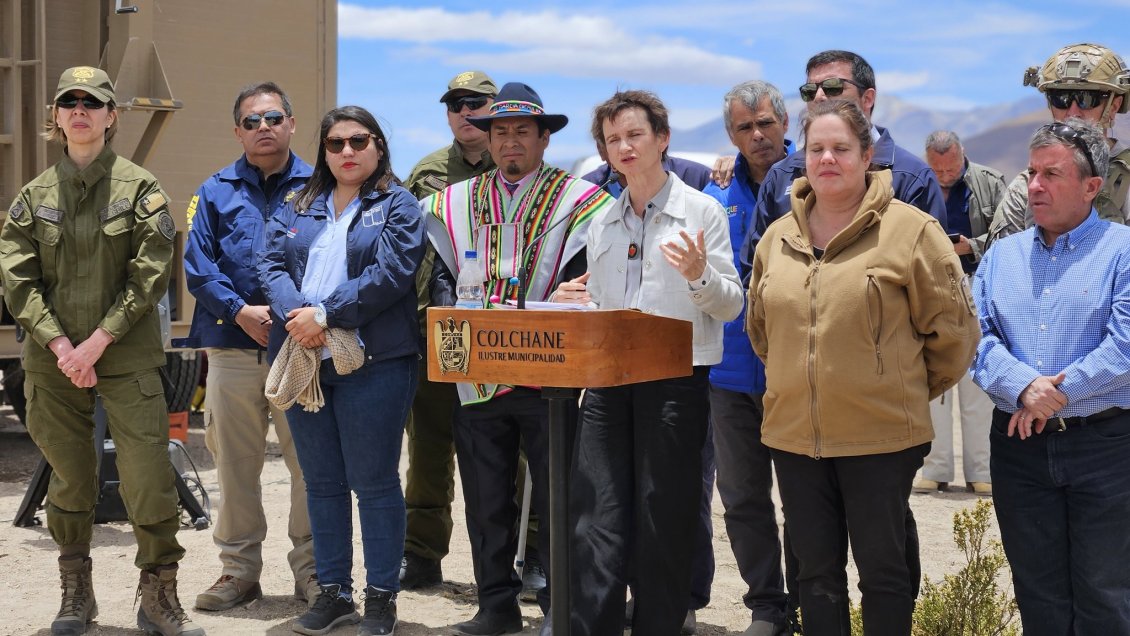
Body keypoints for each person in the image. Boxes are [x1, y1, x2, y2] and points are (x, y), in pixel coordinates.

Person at [746, 99, 979, 635]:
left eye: (841, 148)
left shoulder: (912, 232)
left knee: (883, 573)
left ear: (868, 155)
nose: (827, 159)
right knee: (814, 575)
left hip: (881, 437)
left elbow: (954, 335)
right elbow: (762, 331)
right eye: (816, 149)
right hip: (795, 437)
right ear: (803, 157)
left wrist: (897, 388)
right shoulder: (777, 237)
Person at [0, 66, 204, 636]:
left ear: (111, 116)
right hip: (55, 361)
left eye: (92, 102)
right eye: (69, 102)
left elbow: (151, 274)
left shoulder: (140, 189)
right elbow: (18, 280)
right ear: (56, 116)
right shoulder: (33, 197)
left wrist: (96, 342)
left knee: (147, 476)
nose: (80, 110)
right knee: (69, 479)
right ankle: (76, 595)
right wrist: (62, 344)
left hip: (124, 356)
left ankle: (158, 597)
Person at [422, 81, 614, 636]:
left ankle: (560, 606)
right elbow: (441, 278)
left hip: (551, 372)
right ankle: (496, 606)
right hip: (477, 374)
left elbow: (584, 278)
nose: (510, 142)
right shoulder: (452, 202)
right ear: (487, 138)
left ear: (544, 138)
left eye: (522, 132)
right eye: (500, 131)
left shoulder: (579, 201)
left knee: (560, 496)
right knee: (485, 498)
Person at [554, 89, 743, 636]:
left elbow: (732, 304)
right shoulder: (602, 222)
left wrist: (699, 275)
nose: (624, 147)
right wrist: (575, 302)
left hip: (675, 381)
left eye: (635, 134)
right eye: (613, 139)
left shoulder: (702, 211)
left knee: (664, 514)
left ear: (662, 139)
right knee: (595, 515)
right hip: (607, 382)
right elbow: (605, 306)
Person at [257, 105, 424, 636]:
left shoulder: (398, 204)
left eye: (358, 141)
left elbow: (393, 272)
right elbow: (268, 263)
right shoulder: (299, 202)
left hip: (375, 363)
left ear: (378, 146)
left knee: (374, 483)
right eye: (335, 143)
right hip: (306, 355)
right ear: (324, 151)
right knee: (322, 483)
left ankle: (381, 600)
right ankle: (333, 594)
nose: (347, 151)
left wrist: (325, 315)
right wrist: (299, 317)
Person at [972, 118, 1130, 635]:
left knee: (1106, 593)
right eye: (1031, 172)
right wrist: (1023, 387)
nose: (1035, 185)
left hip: (1105, 448)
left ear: (1091, 186)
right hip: (1019, 450)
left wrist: (1052, 394)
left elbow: (1125, 344)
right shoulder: (1002, 256)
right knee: (1037, 593)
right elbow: (974, 335)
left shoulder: (1123, 250)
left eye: (1051, 174)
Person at [183, 81, 319, 612]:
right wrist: (238, 310)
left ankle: (315, 571)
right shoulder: (213, 191)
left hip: (301, 348)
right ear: (237, 131)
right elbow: (198, 266)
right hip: (232, 347)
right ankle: (239, 572)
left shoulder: (321, 187)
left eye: (274, 118)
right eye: (252, 121)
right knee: (235, 465)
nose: (264, 127)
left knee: (311, 465)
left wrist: (296, 318)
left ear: (291, 123)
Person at [399, 70, 498, 591]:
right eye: (455, 104)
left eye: (475, 102)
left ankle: (524, 555)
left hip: (499, 332)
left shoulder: (516, 166)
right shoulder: (429, 171)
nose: (465, 112)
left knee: (508, 450)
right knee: (429, 450)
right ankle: (422, 554)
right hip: (435, 330)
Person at [702, 79, 793, 636]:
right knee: (741, 498)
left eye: (765, 124)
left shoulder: (814, 182)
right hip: (730, 374)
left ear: (786, 124)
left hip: (797, 373)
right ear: (731, 135)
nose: (757, 135)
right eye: (744, 127)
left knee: (806, 500)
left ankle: (809, 602)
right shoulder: (715, 197)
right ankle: (767, 607)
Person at [746, 49, 947, 272]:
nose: (819, 97)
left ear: (868, 98)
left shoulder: (913, 178)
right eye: (810, 91)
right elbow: (754, 270)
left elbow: (933, 274)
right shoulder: (781, 176)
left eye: (833, 87)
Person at [912, 130, 1005, 497]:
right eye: (937, 170)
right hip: (931, 287)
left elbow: (1010, 232)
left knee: (976, 383)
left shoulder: (990, 182)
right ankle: (935, 469)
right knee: (934, 378)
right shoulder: (917, 183)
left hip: (977, 283)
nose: (944, 176)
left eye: (950, 169)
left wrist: (972, 246)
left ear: (961, 155)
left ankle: (981, 471)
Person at [988, 43, 1130, 242]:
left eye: (1087, 99)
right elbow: (1003, 254)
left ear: (1114, 106)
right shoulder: (1026, 187)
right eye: (1060, 98)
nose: (1072, 112)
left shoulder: (1126, 179)